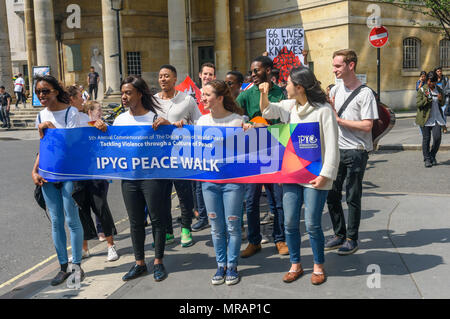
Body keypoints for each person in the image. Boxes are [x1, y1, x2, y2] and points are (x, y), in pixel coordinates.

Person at [259, 66, 339, 285]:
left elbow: (332, 145)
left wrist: (325, 174)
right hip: (293, 174)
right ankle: (295, 265)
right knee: (290, 222)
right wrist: (264, 93)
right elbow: (267, 112)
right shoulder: (290, 107)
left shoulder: (323, 110)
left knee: (313, 223)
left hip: (316, 176)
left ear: (300, 87)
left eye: (288, 83)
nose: (285, 86)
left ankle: (318, 266)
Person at [111, 75, 172, 282]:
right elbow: (111, 147)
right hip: (129, 178)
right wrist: (103, 132)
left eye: (128, 93)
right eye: (122, 93)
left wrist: (168, 126)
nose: (124, 97)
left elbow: (170, 144)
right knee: (135, 222)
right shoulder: (119, 120)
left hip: (152, 177)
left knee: (157, 219)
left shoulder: (155, 117)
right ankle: (139, 263)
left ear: (139, 94)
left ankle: (158, 262)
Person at [31, 75, 85, 286]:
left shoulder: (71, 112)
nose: (42, 95)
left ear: (55, 91)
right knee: (55, 221)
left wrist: (52, 129)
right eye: (38, 92)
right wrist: (34, 171)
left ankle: (77, 267)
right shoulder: (40, 114)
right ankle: (63, 267)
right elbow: (43, 148)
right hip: (47, 173)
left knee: (72, 220)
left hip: (69, 173)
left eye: (45, 91)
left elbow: (72, 145)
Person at [197, 80, 252, 285]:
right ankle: (220, 265)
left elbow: (254, 147)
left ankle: (232, 265)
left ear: (220, 98)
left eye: (207, 95)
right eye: (202, 95)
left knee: (232, 226)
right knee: (216, 228)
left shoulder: (238, 121)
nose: (203, 98)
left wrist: (251, 131)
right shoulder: (201, 122)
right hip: (209, 182)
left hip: (233, 183)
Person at [325, 49, 379, 255]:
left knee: (353, 196)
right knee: (331, 193)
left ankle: (352, 238)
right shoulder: (336, 90)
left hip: (356, 150)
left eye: (338, 66)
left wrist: (338, 120)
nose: (334, 70)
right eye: (334, 66)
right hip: (336, 149)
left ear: (351, 65)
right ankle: (339, 234)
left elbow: (367, 126)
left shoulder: (365, 94)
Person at [236, 55, 289, 257]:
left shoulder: (280, 93)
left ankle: (280, 239)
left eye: (256, 71)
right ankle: (254, 240)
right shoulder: (246, 94)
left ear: (268, 71)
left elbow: (286, 121)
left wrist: (268, 125)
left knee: (277, 201)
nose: (252, 75)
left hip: (275, 153)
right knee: (251, 201)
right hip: (252, 154)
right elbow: (234, 113)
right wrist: (244, 123)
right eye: (251, 71)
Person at [65, 91, 120, 263]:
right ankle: (84, 248)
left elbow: (103, 137)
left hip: (95, 170)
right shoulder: (67, 118)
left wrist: (102, 128)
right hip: (76, 171)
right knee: (81, 210)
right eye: (79, 97)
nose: (83, 99)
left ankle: (111, 246)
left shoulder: (86, 118)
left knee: (101, 207)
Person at [153, 64, 202, 248]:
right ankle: (167, 231)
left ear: (175, 79)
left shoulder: (187, 100)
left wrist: (181, 125)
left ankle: (186, 229)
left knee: (183, 193)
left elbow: (198, 123)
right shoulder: (152, 101)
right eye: (160, 76)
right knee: (162, 195)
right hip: (160, 156)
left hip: (181, 154)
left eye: (166, 76)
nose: (163, 79)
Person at [191, 63, 217, 232]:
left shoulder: (217, 95)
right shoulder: (191, 97)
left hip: (215, 144)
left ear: (214, 77)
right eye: (205, 73)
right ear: (200, 75)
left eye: (210, 74)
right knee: (198, 184)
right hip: (196, 144)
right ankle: (202, 215)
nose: (207, 76)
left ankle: (214, 213)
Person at [416, 71, 445, 167]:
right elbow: (418, 104)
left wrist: (441, 99)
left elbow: (442, 103)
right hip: (425, 118)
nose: (431, 84)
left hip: (436, 118)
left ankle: (432, 155)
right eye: (430, 81)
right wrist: (427, 99)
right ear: (427, 80)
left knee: (437, 138)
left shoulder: (439, 90)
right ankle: (427, 159)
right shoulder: (422, 90)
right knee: (426, 139)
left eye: (433, 82)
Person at [434, 66, 449, 133]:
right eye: (438, 71)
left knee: (443, 112)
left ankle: (443, 126)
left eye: (440, 71)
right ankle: (441, 126)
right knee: (438, 112)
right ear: (435, 72)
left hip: (444, 99)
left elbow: (448, 88)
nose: (439, 72)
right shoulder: (433, 79)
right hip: (436, 98)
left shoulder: (445, 79)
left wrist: (444, 93)